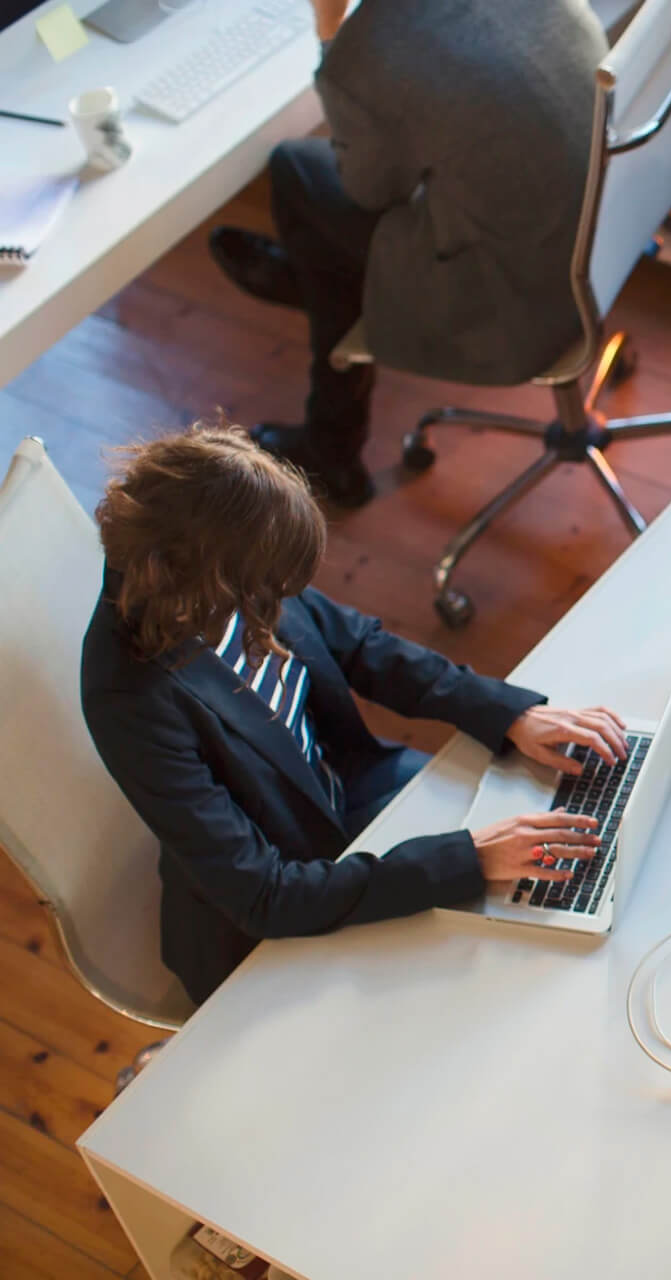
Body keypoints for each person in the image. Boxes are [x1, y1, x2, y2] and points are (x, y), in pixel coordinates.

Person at [82, 425, 628, 1004]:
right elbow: (264, 894)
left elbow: (363, 648)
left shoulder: (230, 561)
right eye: (265, 587)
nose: (280, 599)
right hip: (279, 910)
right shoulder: (132, 699)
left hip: (349, 798)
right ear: (210, 580)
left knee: (549, 919)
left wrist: (506, 713)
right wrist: (466, 860)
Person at [208, 0, 608, 507]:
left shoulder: (368, 51)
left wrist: (331, 28)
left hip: (514, 304)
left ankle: (331, 440)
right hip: (596, 241)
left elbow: (366, 189)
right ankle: (313, 284)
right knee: (345, 214)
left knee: (296, 172)